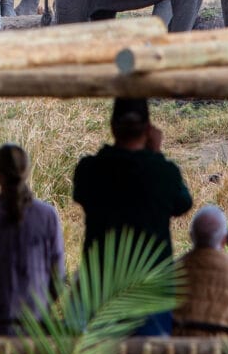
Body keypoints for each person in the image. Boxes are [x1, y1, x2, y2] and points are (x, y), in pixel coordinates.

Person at [72, 97, 193, 336]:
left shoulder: (89, 170)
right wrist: (156, 155)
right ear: (148, 130)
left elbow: (81, 192)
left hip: (102, 283)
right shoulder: (163, 172)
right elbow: (183, 203)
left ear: (112, 126)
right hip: (151, 284)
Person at [0, 144, 66, 334]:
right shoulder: (47, 216)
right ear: (27, 171)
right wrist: (41, 307)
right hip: (33, 326)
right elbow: (58, 276)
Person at [172, 205, 228, 334]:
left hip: (177, 352)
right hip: (221, 351)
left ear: (191, 236)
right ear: (225, 240)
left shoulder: (169, 272)